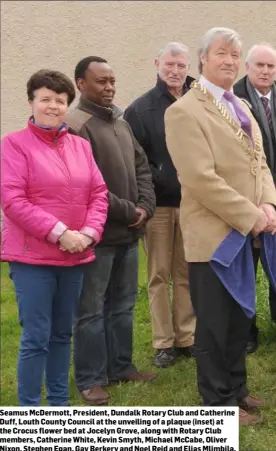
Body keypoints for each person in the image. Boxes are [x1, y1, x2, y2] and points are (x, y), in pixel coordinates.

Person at [165, 27, 276, 425]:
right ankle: (217, 404)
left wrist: (268, 201)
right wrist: (252, 216)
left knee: (239, 316)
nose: (229, 61)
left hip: (246, 234)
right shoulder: (183, 112)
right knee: (213, 323)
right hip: (214, 237)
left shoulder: (242, 106)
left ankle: (237, 390)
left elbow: (259, 161)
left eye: (235, 54)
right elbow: (199, 178)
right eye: (221, 53)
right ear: (203, 59)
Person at [0, 69, 108, 406]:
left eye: (60, 101)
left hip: (75, 257)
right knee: (36, 338)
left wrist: (88, 234)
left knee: (63, 335)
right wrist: (61, 233)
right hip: (33, 259)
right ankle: (30, 411)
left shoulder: (81, 146)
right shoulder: (13, 145)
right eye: (45, 99)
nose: (53, 106)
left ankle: (59, 406)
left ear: (67, 106)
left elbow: (99, 194)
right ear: (32, 102)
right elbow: (13, 201)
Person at [66, 56, 156, 406]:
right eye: (101, 81)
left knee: (123, 305)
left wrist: (146, 206)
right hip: (97, 236)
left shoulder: (119, 120)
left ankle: (121, 366)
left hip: (129, 233)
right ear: (81, 84)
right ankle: (90, 379)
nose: (109, 87)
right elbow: (89, 185)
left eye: (112, 81)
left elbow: (142, 165)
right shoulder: (76, 125)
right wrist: (129, 210)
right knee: (90, 310)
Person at [124, 43, 196, 368]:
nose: (175, 71)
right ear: (157, 64)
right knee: (158, 275)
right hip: (160, 206)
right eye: (169, 64)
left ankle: (187, 337)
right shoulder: (140, 109)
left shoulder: (200, 101)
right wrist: (161, 178)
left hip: (195, 204)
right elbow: (134, 158)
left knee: (185, 273)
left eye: (181, 65)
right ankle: (163, 343)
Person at [234, 43, 276, 353]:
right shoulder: (234, 99)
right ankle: (246, 331)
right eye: (259, 65)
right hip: (248, 198)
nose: (265, 71)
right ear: (247, 67)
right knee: (247, 267)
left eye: (270, 67)